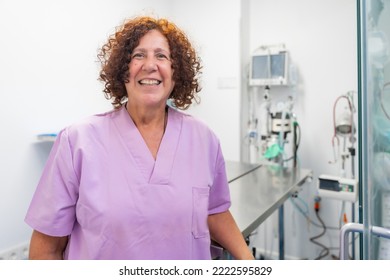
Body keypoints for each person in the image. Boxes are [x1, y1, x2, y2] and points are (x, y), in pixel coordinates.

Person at [25, 16, 254, 260]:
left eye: (162, 56)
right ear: (123, 71)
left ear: (176, 73)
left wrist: (249, 263)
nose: (150, 65)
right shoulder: (78, 141)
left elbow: (215, 211)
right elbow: (47, 246)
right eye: (138, 55)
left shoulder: (204, 138)